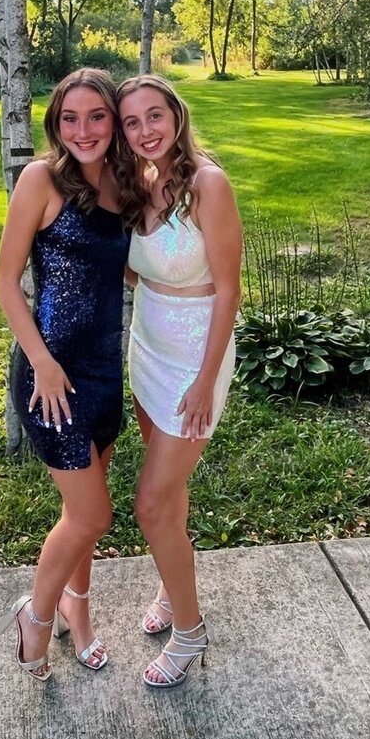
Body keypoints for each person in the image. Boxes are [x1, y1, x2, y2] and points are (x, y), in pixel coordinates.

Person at [0, 68, 129, 681]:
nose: (84, 130)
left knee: (83, 517)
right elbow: (6, 283)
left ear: (114, 122)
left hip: (104, 370)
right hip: (50, 377)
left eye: (97, 116)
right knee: (92, 515)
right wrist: (43, 363)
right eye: (69, 118)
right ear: (55, 125)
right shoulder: (41, 180)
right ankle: (37, 615)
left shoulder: (125, 185)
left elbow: (125, 268)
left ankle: (80, 612)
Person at [116, 74, 242, 689]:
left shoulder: (207, 185)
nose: (145, 130)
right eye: (132, 121)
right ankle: (174, 587)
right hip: (147, 350)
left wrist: (205, 380)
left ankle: (190, 632)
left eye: (154, 115)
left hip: (195, 360)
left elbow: (229, 291)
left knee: (150, 503)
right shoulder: (140, 182)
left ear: (176, 114)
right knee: (171, 496)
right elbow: (138, 271)